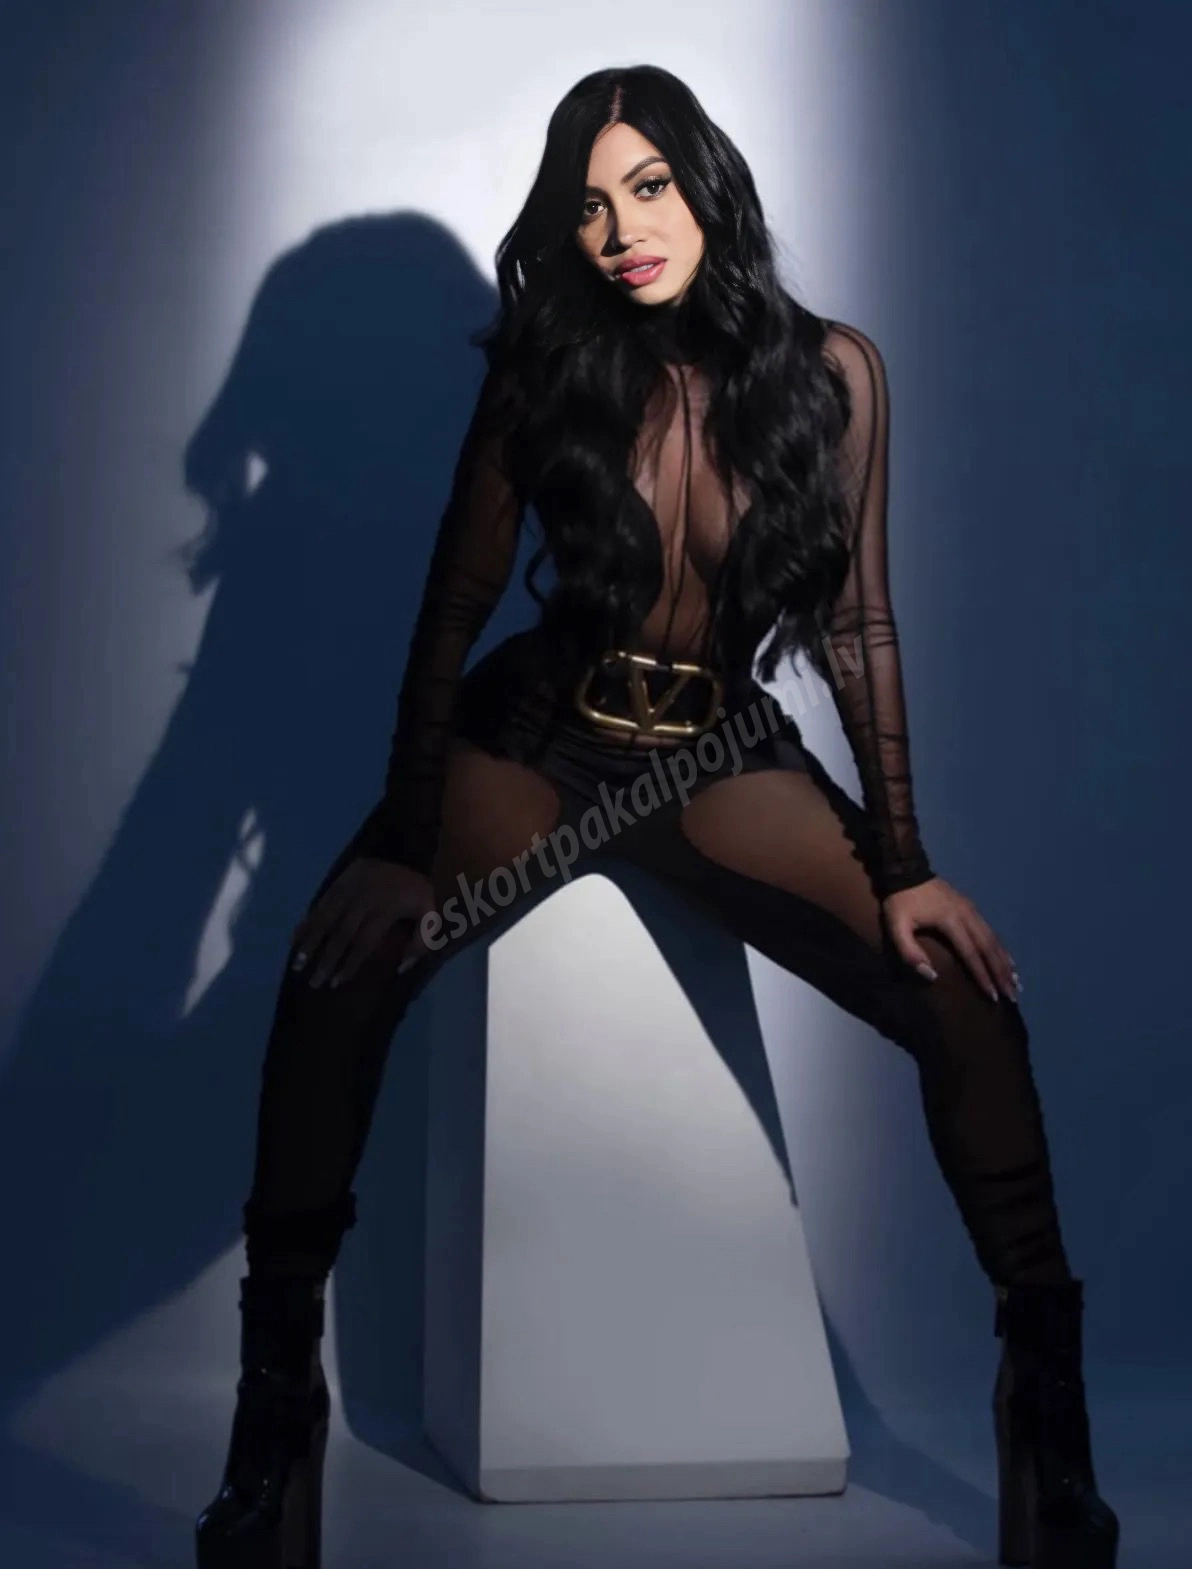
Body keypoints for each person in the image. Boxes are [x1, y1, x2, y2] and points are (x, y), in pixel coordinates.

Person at [195, 64, 1118, 1569]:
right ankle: (273, 1410)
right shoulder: (545, 371)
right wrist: (404, 842)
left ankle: (1048, 1409)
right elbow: (453, 607)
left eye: (648, 187)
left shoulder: (834, 374)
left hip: (716, 752)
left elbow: (859, 630)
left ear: (707, 185)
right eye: (590, 205)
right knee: (331, 971)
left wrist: (906, 865)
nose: (623, 231)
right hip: (538, 738)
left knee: (961, 995)